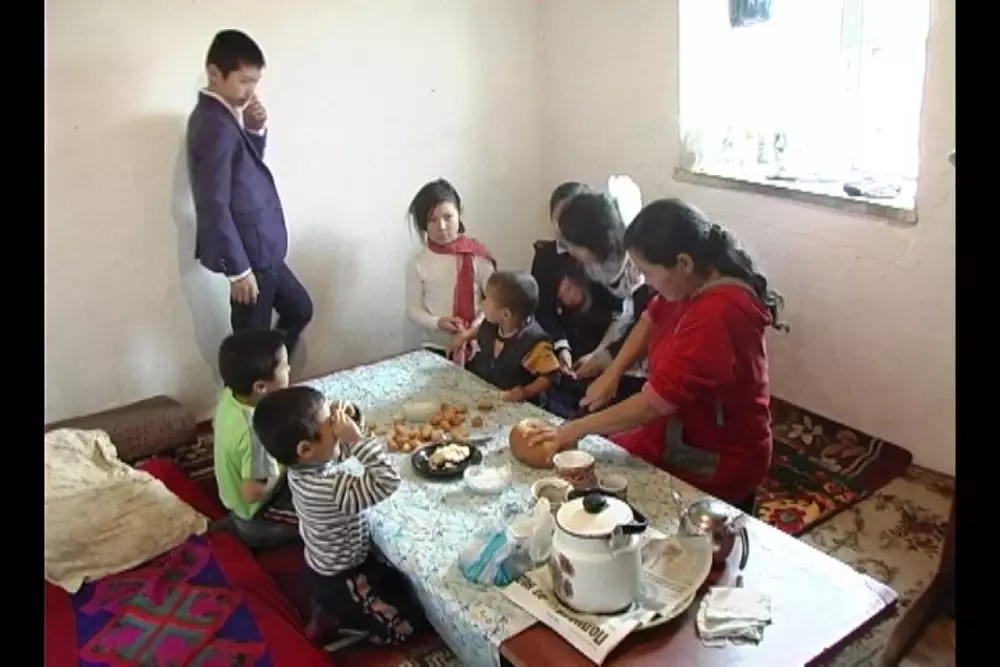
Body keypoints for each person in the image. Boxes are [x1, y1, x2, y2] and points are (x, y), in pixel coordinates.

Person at [526, 198, 788, 513]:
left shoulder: (716, 314)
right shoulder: (692, 280)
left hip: (715, 454)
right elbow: (651, 317)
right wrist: (612, 372)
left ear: (683, 263)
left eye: (648, 273)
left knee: (623, 492)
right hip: (679, 427)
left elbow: (653, 403)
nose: (646, 282)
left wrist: (574, 429)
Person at [252, 387, 421, 646]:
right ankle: (342, 621)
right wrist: (356, 440)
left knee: (397, 585)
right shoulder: (330, 488)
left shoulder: (300, 466)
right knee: (406, 627)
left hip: (321, 562)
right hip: (344, 577)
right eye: (330, 425)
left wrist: (352, 420)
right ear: (305, 449)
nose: (337, 427)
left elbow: (335, 452)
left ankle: (328, 607)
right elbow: (387, 480)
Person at [187, 29, 313, 355]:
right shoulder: (213, 125)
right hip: (249, 256)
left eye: (255, 82)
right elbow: (212, 202)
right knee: (251, 345)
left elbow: (241, 173)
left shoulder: (226, 118)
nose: (251, 91)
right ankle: (255, 381)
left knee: (299, 309)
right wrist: (237, 269)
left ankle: (271, 370)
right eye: (244, 81)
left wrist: (254, 131)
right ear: (214, 74)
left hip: (264, 249)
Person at [554, 176, 654, 401]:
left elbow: (644, 322)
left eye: (573, 245)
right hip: (625, 341)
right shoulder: (599, 262)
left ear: (595, 241)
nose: (570, 252)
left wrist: (608, 360)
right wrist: (599, 354)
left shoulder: (640, 269)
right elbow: (622, 313)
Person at [213, 330, 299, 549]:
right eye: (284, 366)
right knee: (326, 514)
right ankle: (242, 534)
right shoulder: (256, 433)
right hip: (257, 518)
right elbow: (252, 492)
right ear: (260, 387)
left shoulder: (229, 397)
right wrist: (284, 467)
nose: (289, 369)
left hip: (233, 500)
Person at [405, 179, 496, 363]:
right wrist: (438, 322)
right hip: (435, 346)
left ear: (459, 214)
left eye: (448, 217)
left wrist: (470, 331)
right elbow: (413, 309)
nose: (442, 226)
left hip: (477, 344)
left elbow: (495, 300)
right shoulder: (418, 261)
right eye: (432, 220)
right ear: (423, 225)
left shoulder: (477, 255)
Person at [466, 271, 562, 406]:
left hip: (515, 403)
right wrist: (465, 336)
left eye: (486, 298)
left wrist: (525, 392)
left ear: (506, 314)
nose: (482, 302)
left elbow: (552, 374)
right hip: (489, 388)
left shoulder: (532, 343)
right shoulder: (492, 323)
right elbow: (481, 331)